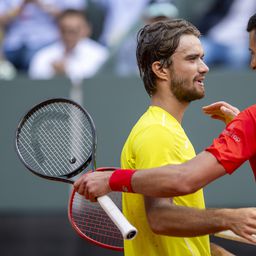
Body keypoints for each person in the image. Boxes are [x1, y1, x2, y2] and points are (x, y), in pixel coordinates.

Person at [76, 18, 253, 255]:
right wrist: (229, 217)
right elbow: (161, 217)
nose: (204, 67)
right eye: (192, 59)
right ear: (160, 69)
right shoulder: (157, 132)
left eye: (202, 57)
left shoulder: (166, 129)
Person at [0, 0, 86, 72]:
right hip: (12, 44)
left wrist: (40, 3)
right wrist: (22, 5)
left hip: (46, 42)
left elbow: (73, 17)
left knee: (39, 61)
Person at [28, 9, 109, 80]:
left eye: (74, 30)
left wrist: (67, 72)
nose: (69, 35)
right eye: (64, 30)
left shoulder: (99, 55)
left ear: (87, 30)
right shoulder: (43, 56)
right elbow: (35, 82)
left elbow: (96, 85)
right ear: (58, 30)